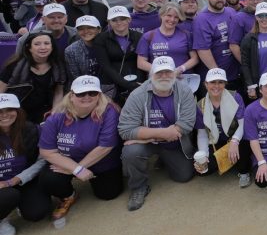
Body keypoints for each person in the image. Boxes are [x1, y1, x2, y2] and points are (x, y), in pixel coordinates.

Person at [38, 75, 123, 225]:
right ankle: (69, 195)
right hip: (68, 161)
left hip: (101, 162)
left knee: (109, 194)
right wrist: (76, 169)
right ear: (71, 95)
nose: (87, 97)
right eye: (81, 93)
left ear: (99, 95)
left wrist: (78, 168)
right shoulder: (56, 116)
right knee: (48, 179)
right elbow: (47, 152)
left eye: (92, 93)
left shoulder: (109, 112)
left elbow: (105, 146)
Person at [118, 56, 198, 211]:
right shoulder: (137, 95)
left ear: (174, 73)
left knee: (184, 176)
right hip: (151, 142)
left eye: (168, 72)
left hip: (172, 142)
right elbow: (125, 129)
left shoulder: (185, 91)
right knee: (131, 151)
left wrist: (146, 136)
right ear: (151, 75)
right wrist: (162, 133)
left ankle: (164, 159)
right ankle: (138, 187)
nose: (164, 76)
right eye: (159, 73)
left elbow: (187, 125)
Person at [0, 94, 49, 235]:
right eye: (0, 111)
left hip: (23, 180)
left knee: (37, 212)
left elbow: (42, 161)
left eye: (9, 109)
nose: (4, 115)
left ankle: (18, 204)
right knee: (8, 196)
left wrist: (15, 180)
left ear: (18, 110)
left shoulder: (31, 130)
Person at [194, 68, 252, 187]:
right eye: (212, 82)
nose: (216, 86)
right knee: (203, 170)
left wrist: (235, 142)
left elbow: (242, 124)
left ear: (225, 83)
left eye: (220, 82)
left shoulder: (235, 97)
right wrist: (204, 156)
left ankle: (244, 171)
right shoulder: (201, 105)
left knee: (245, 143)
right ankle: (231, 160)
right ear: (206, 84)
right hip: (216, 141)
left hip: (235, 138)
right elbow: (202, 134)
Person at [0, 32, 66, 123]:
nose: (43, 47)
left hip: (44, 111)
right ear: (29, 48)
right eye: (37, 44)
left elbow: (58, 92)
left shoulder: (58, 66)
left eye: (46, 43)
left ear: (52, 46)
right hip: (17, 110)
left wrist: (54, 114)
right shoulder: (14, 66)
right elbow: (0, 91)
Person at [92, 6, 144, 105]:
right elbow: (105, 65)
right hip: (112, 84)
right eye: (114, 20)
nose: (119, 22)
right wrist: (127, 84)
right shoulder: (101, 39)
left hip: (136, 82)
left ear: (129, 19)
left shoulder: (139, 36)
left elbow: (140, 61)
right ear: (109, 22)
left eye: (122, 19)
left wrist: (138, 83)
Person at [193, 0, 239, 88]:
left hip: (234, 74)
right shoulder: (201, 19)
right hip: (213, 78)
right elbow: (203, 50)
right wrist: (217, 75)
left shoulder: (231, 12)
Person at [137, 2, 198, 76]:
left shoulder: (186, 34)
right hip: (159, 81)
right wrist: (162, 72)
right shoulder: (148, 36)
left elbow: (195, 59)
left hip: (182, 79)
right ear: (161, 15)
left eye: (176, 17)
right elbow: (141, 63)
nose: (172, 20)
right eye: (169, 15)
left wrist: (181, 69)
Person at [229, 0, 265, 65]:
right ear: (245, 0)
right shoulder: (239, 18)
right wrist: (246, 65)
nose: (255, 1)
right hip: (251, 65)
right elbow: (233, 45)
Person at [64, 15, 102, 88]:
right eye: (81, 29)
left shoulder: (108, 45)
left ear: (99, 29)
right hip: (83, 88)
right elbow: (75, 77)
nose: (86, 31)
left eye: (90, 27)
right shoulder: (71, 50)